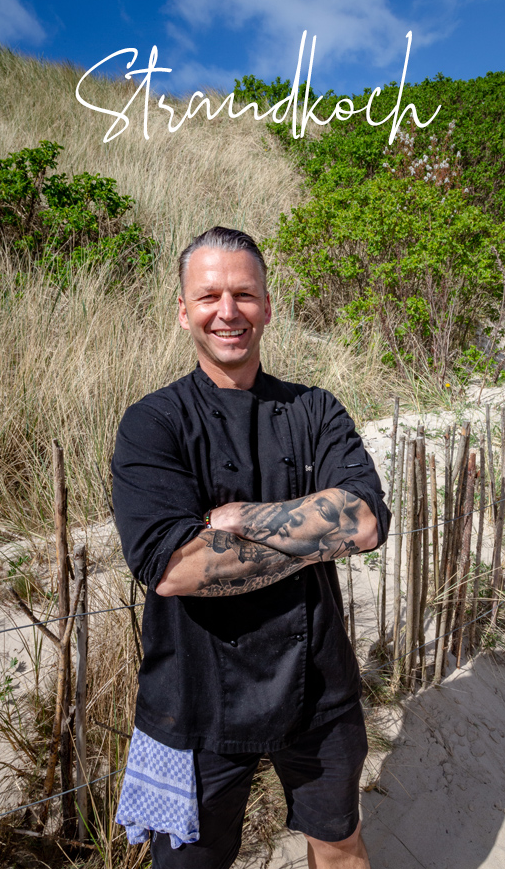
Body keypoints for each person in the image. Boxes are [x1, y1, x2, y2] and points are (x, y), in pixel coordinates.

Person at [111, 226, 389, 869]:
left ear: (268, 304)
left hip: (318, 685)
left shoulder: (316, 410)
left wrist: (239, 520)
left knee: (340, 844)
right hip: (193, 697)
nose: (227, 312)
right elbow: (176, 572)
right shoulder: (154, 423)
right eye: (209, 296)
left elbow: (365, 522)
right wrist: (315, 533)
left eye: (244, 294)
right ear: (184, 311)